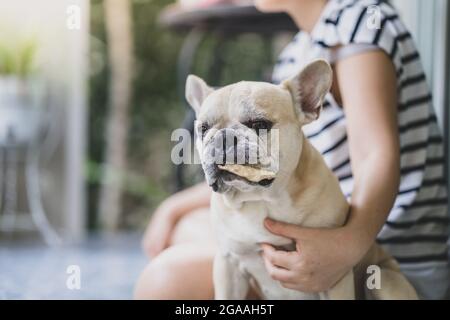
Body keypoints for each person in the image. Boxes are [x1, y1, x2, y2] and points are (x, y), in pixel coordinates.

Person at [134, 0, 449, 300]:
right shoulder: (296, 52)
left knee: (165, 281)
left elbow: (374, 155)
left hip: (382, 256)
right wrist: (174, 206)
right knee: (188, 228)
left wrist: (347, 248)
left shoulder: (358, 21)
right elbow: (271, 166)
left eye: (257, 124)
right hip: (304, 233)